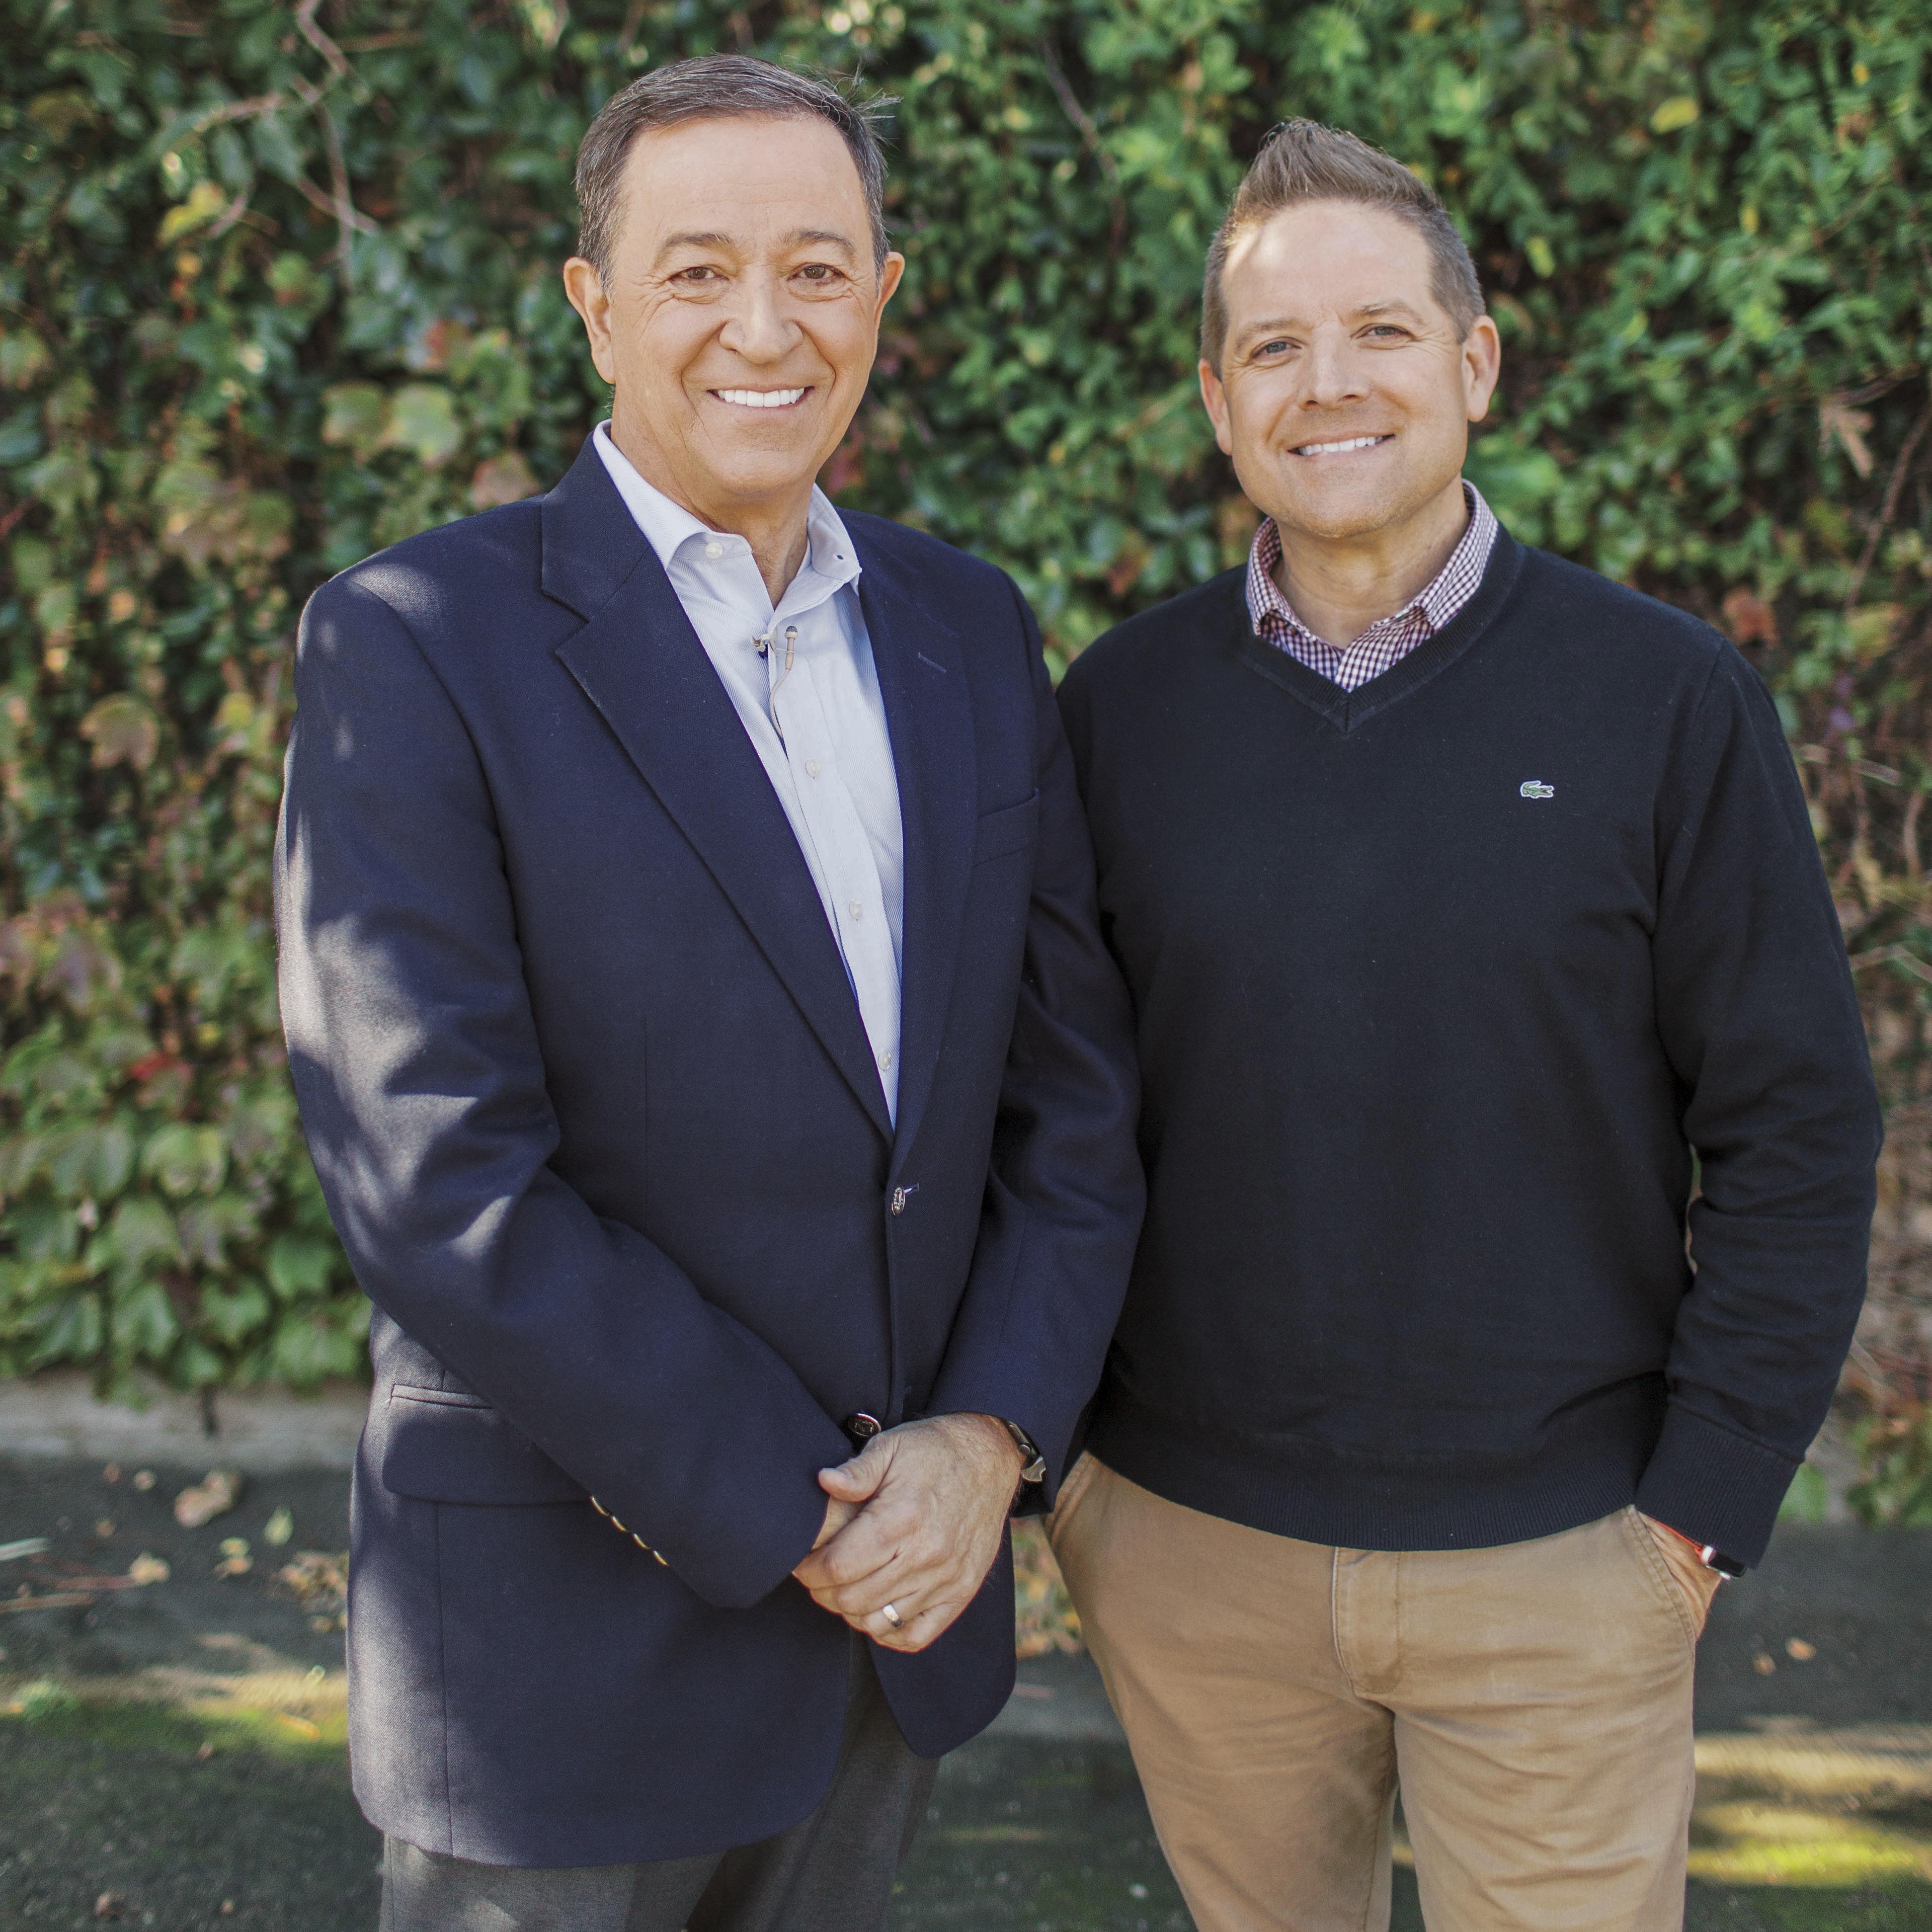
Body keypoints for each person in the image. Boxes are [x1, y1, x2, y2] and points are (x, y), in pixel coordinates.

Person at [274, 54, 1142, 1932]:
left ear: (884, 299)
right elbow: (437, 1180)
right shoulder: (415, 642)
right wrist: (805, 1513)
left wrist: (986, 1451)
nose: (767, 325)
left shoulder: (969, 629)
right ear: (593, 308)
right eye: (696, 272)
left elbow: (1070, 1109)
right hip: (557, 1669)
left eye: (820, 269)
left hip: (889, 1649)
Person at [1051, 118, 1880, 1932]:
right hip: (1196, 1554)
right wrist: (1068, 1479)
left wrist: (1696, 1513)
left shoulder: (1663, 699)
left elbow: (1796, 1119)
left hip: (1564, 1561)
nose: (1327, 384)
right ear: (1216, 400)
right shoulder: (1116, 716)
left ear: (1475, 365)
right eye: (1273, 348)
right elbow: (1053, 1113)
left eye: (1383, 333)